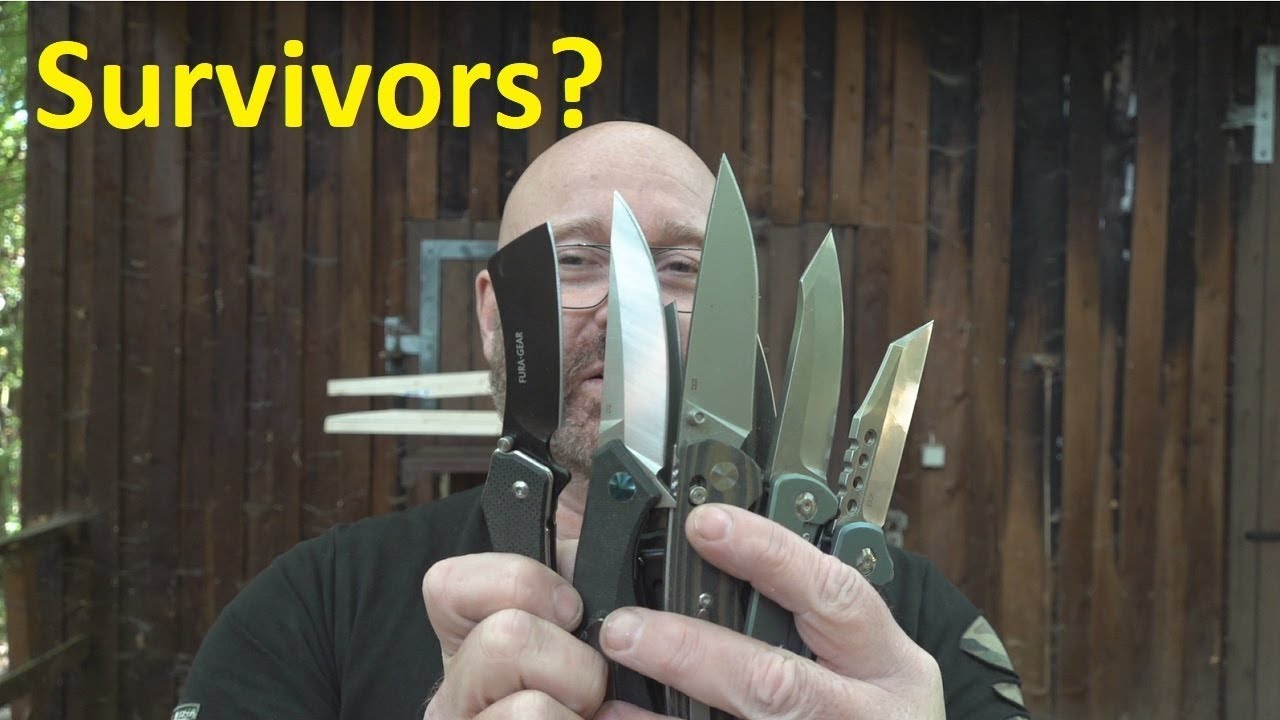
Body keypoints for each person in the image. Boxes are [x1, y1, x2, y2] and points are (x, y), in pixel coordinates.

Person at [175, 121, 1029, 720]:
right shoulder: (311, 608)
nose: (632, 308)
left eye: (681, 267)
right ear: (493, 316)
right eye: (578, 258)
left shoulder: (904, 623)